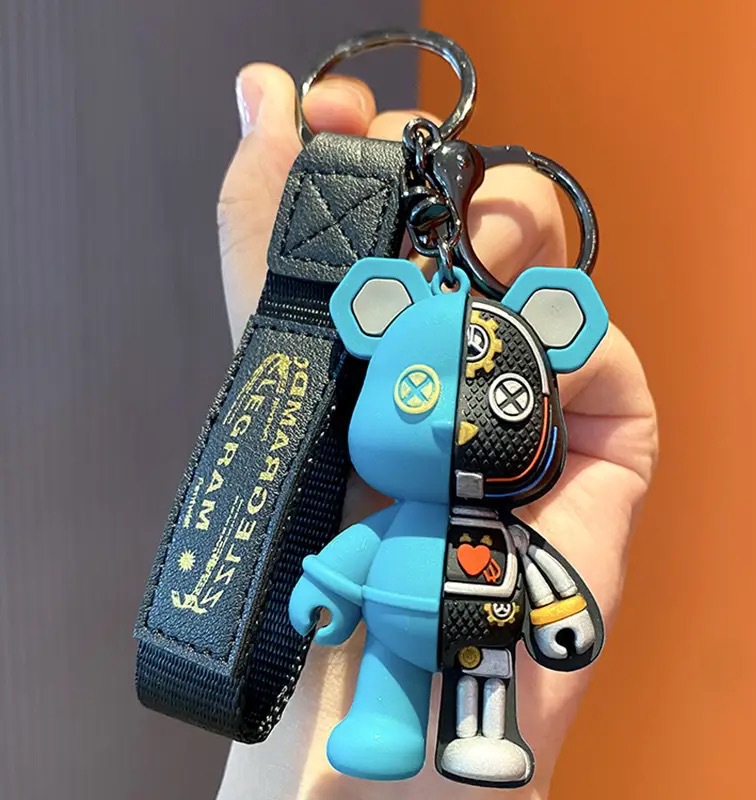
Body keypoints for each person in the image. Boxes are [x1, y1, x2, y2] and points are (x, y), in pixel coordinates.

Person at [215, 63, 658, 800]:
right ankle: (384, 724)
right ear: (374, 315)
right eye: (417, 390)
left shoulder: (505, 523)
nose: (457, 418)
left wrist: (561, 617)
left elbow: (541, 571)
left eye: (504, 399)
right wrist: (324, 580)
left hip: (484, 634)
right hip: (391, 635)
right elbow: (357, 548)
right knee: (386, 683)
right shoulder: (397, 510)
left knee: (484, 684)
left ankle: (481, 736)